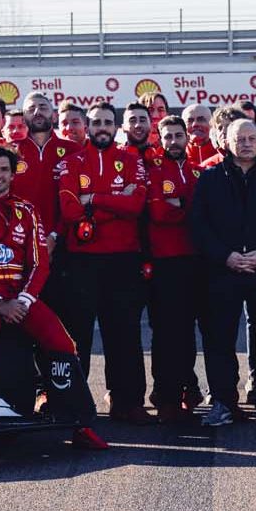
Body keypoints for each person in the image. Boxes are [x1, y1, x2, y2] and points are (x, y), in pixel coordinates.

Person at [0, 145, 106, 453]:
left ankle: (79, 424)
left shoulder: (27, 210)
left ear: (12, 173)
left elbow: (39, 264)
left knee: (64, 344)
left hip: (21, 295)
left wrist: (23, 300)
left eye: (3, 169)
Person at [188, 118, 256, 427]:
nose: (247, 143)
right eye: (241, 138)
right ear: (227, 142)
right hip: (223, 270)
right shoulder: (209, 178)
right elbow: (199, 226)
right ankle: (223, 401)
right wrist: (226, 256)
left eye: (252, 138)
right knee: (219, 338)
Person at [53, 102, 150, 422]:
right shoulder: (71, 162)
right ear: (87, 127)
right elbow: (69, 211)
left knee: (123, 333)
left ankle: (128, 403)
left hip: (123, 259)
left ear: (117, 127)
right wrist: (115, 203)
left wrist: (93, 199)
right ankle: (75, 403)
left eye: (108, 122)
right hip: (81, 261)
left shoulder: (131, 160)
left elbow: (136, 206)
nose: (102, 128)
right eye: (97, 123)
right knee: (77, 335)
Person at [145, 114, 206, 423]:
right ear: (160, 140)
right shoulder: (154, 172)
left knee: (187, 334)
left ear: (187, 138)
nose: (173, 141)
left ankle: (186, 390)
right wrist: (188, 207)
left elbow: (205, 213)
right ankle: (166, 397)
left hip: (196, 262)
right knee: (167, 334)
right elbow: (158, 211)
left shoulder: (199, 171)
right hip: (165, 262)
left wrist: (181, 205)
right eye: (166, 136)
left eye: (177, 135)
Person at [10, 92, 80, 238]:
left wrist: (55, 235)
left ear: (54, 116)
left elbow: (78, 197)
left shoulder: (74, 150)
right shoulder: (9, 151)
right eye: (31, 109)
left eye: (43, 107)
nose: (37, 112)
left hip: (65, 239)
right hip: (21, 239)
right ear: (23, 118)